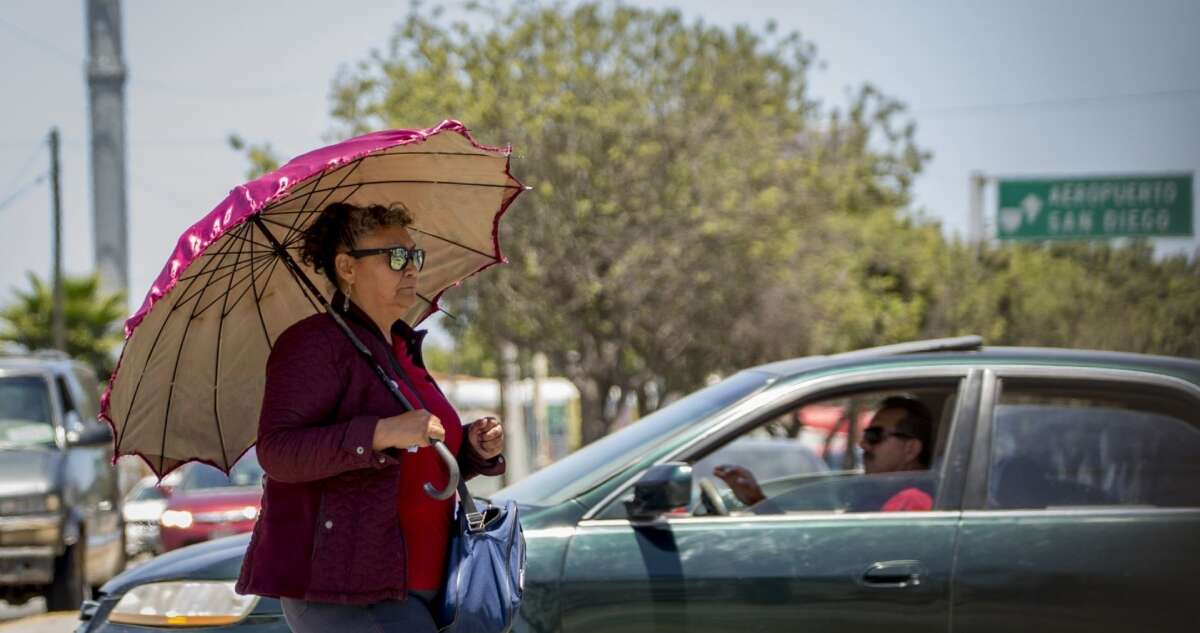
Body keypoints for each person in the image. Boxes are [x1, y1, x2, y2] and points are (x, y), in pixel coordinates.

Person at [235, 202, 506, 633]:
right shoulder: (313, 345)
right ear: (347, 267)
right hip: (346, 590)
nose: (411, 269)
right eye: (395, 257)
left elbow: (418, 460)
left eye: (414, 255)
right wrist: (380, 432)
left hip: (418, 583)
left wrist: (470, 447)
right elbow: (277, 451)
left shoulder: (399, 348)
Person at [713, 395, 935, 512]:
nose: (863, 445)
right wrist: (757, 501)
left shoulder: (912, 503)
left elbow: (831, 557)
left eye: (874, 436)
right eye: (866, 435)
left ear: (911, 449)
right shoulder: (880, 495)